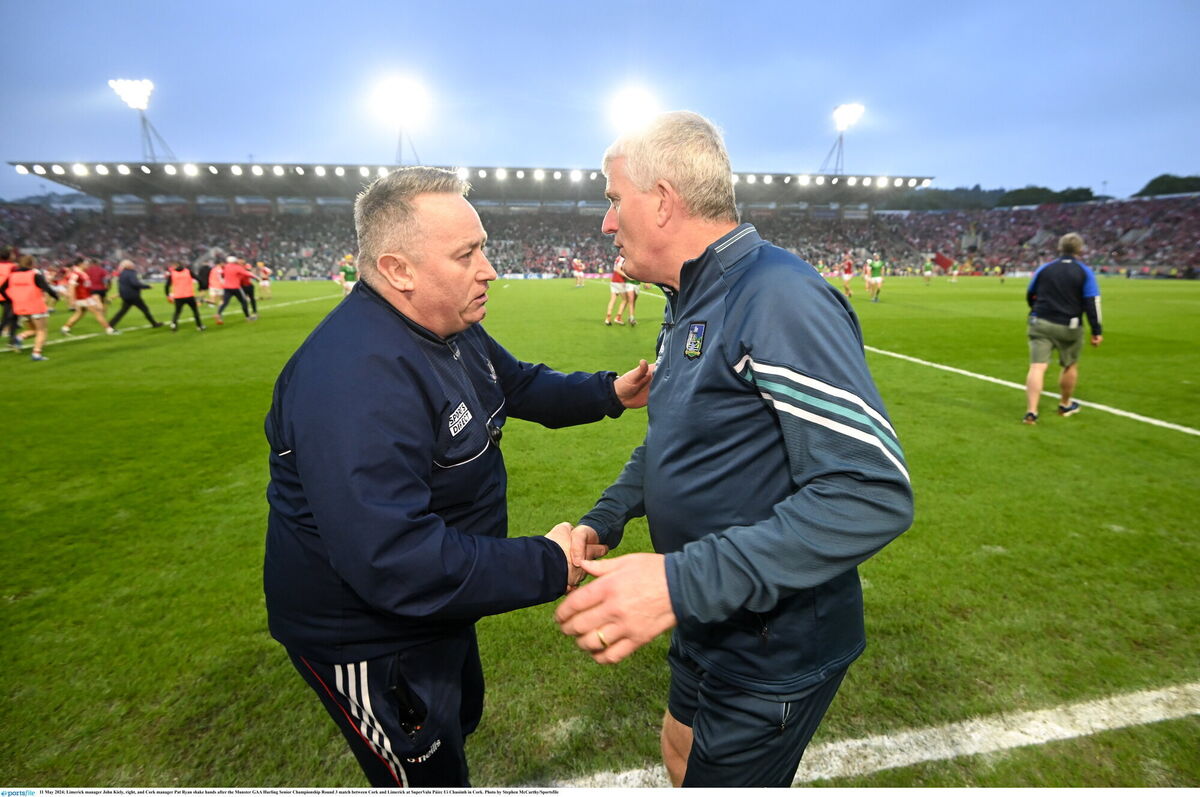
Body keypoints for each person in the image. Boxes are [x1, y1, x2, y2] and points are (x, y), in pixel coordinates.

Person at [553, 111, 913, 788]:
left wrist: (676, 581)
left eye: (612, 199)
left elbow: (871, 491)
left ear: (662, 200)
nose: (605, 222)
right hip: (707, 607)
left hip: (772, 637)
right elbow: (675, 437)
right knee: (679, 750)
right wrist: (606, 517)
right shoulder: (688, 297)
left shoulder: (778, 296)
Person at [263, 166, 653, 788]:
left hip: (437, 603)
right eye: (467, 253)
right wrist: (549, 563)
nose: (488, 268)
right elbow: (394, 560)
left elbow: (517, 383)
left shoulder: (447, 327)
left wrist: (610, 391)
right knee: (426, 775)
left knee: (457, 715)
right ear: (398, 270)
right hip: (370, 635)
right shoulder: (354, 380)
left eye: (485, 248)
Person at [1022, 232, 1102, 425]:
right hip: (1069, 325)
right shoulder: (1084, 271)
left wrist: (1036, 310)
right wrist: (1096, 330)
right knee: (1069, 365)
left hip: (1040, 321)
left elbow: (1030, 294)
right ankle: (1065, 404)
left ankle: (1031, 412)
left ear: (1059, 248)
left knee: (1037, 366)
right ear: (1080, 250)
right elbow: (1092, 302)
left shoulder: (1045, 268)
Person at [0, 254, 58, 360]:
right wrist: (56, 297)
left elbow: (1, 288)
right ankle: (36, 353)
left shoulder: (12, 275)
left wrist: (9, 299)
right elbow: (47, 288)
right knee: (42, 331)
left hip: (20, 308)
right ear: (32, 263)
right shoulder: (35, 275)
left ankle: (19, 337)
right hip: (35, 306)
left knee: (34, 330)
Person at [61, 257, 117, 336]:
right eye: (85, 263)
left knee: (79, 314)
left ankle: (65, 328)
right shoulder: (76, 274)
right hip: (84, 298)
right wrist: (71, 299)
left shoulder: (82, 272)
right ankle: (109, 329)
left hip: (85, 297)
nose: (87, 265)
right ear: (80, 264)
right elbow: (71, 286)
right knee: (98, 313)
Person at [108, 260, 163, 330]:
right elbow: (135, 283)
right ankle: (154, 324)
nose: (134, 265)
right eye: (132, 264)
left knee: (122, 311)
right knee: (145, 309)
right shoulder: (131, 273)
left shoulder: (121, 274)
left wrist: (121, 294)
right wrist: (148, 286)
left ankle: (110, 325)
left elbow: (122, 285)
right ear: (129, 266)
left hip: (126, 296)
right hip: (133, 296)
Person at [165, 261, 205, 331]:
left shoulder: (172, 274)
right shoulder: (188, 271)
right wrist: (201, 288)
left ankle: (174, 325)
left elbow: (167, 286)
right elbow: (199, 279)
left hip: (178, 296)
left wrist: (167, 295)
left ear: (176, 266)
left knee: (177, 312)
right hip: (189, 295)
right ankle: (199, 326)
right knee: (195, 311)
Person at [216, 255, 255, 323]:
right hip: (236, 287)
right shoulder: (237, 267)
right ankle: (248, 317)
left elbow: (221, 274)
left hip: (227, 288)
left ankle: (218, 313)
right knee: (244, 301)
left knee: (225, 302)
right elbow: (247, 273)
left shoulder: (225, 267)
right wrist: (257, 277)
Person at [0, 246, 18, 348]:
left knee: (6, 318)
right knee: (10, 317)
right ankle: (12, 340)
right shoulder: (12, 267)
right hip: (7, 294)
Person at [603, 254, 629, 325]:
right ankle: (618, 317)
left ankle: (608, 318)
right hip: (619, 281)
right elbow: (618, 269)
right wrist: (627, 276)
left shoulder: (618, 257)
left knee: (613, 299)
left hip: (614, 280)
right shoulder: (623, 258)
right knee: (625, 300)